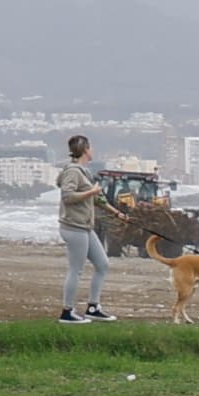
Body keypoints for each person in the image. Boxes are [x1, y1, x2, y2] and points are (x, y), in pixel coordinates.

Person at [55, 131, 114, 321]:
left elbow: (96, 199)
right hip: (73, 227)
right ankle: (67, 311)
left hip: (85, 228)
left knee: (102, 264)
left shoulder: (84, 172)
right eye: (90, 147)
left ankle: (93, 307)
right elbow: (68, 196)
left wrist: (118, 213)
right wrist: (92, 192)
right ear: (85, 150)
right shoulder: (73, 171)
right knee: (76, 269)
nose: (92, 150)